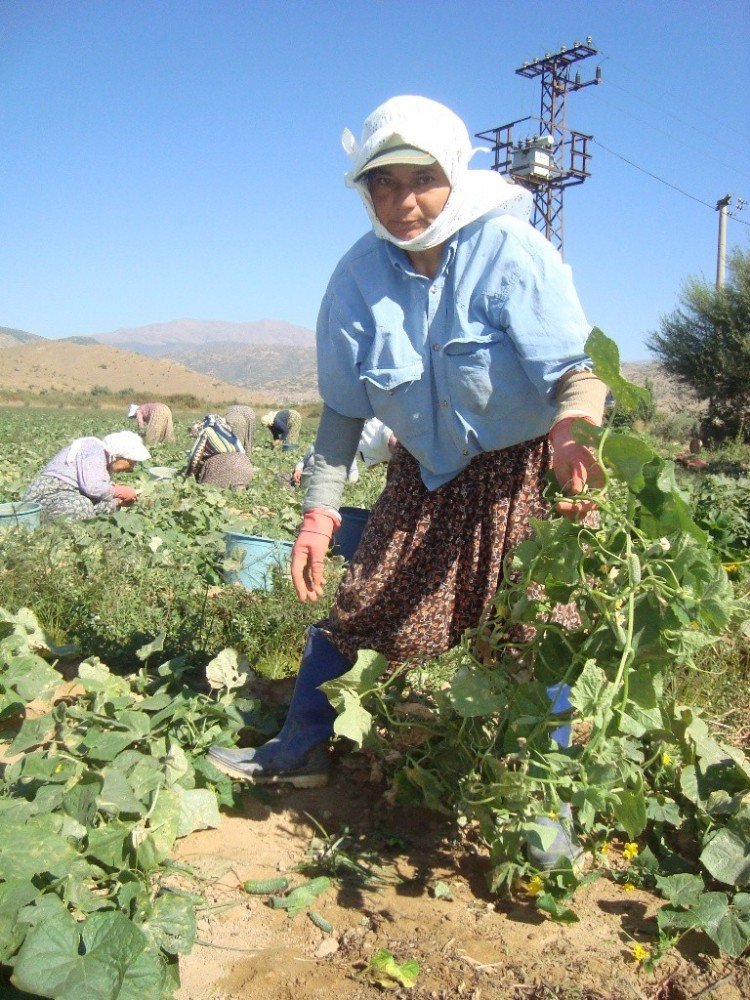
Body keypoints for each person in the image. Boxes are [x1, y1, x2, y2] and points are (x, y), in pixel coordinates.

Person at [208, 96, 607, 865]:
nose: (403, 201)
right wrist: (318, 516)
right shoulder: (356, 280)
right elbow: (341, 415)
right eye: (384, 184)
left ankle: (548, 806)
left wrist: (572, 433)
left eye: (420, 179)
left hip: (528, 468)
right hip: (424, 476)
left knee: (538, 635)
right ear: (366, 190)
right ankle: (301, 747)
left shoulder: (510, 252)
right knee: (358, 608)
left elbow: (576, 376)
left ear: (453, 174)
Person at [23, 430, 150, 523]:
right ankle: (45, 527)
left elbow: (96, 491)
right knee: (81, 505)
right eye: (132, 462)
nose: (132, 468)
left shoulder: (103, 459)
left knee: (109, 504)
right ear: (122, 455)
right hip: (44, 498)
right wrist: (119, 491)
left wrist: (118, 500)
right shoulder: (94, 449)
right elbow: (93, 488)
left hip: (64, 497)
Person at [186, 414, 254, 488]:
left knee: (208, 489)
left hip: (221, 467)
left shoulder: (206, 431)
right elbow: (242, 451)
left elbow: (194, 458)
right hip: (245, 466)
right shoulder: (228, 431)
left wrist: (189, 474)